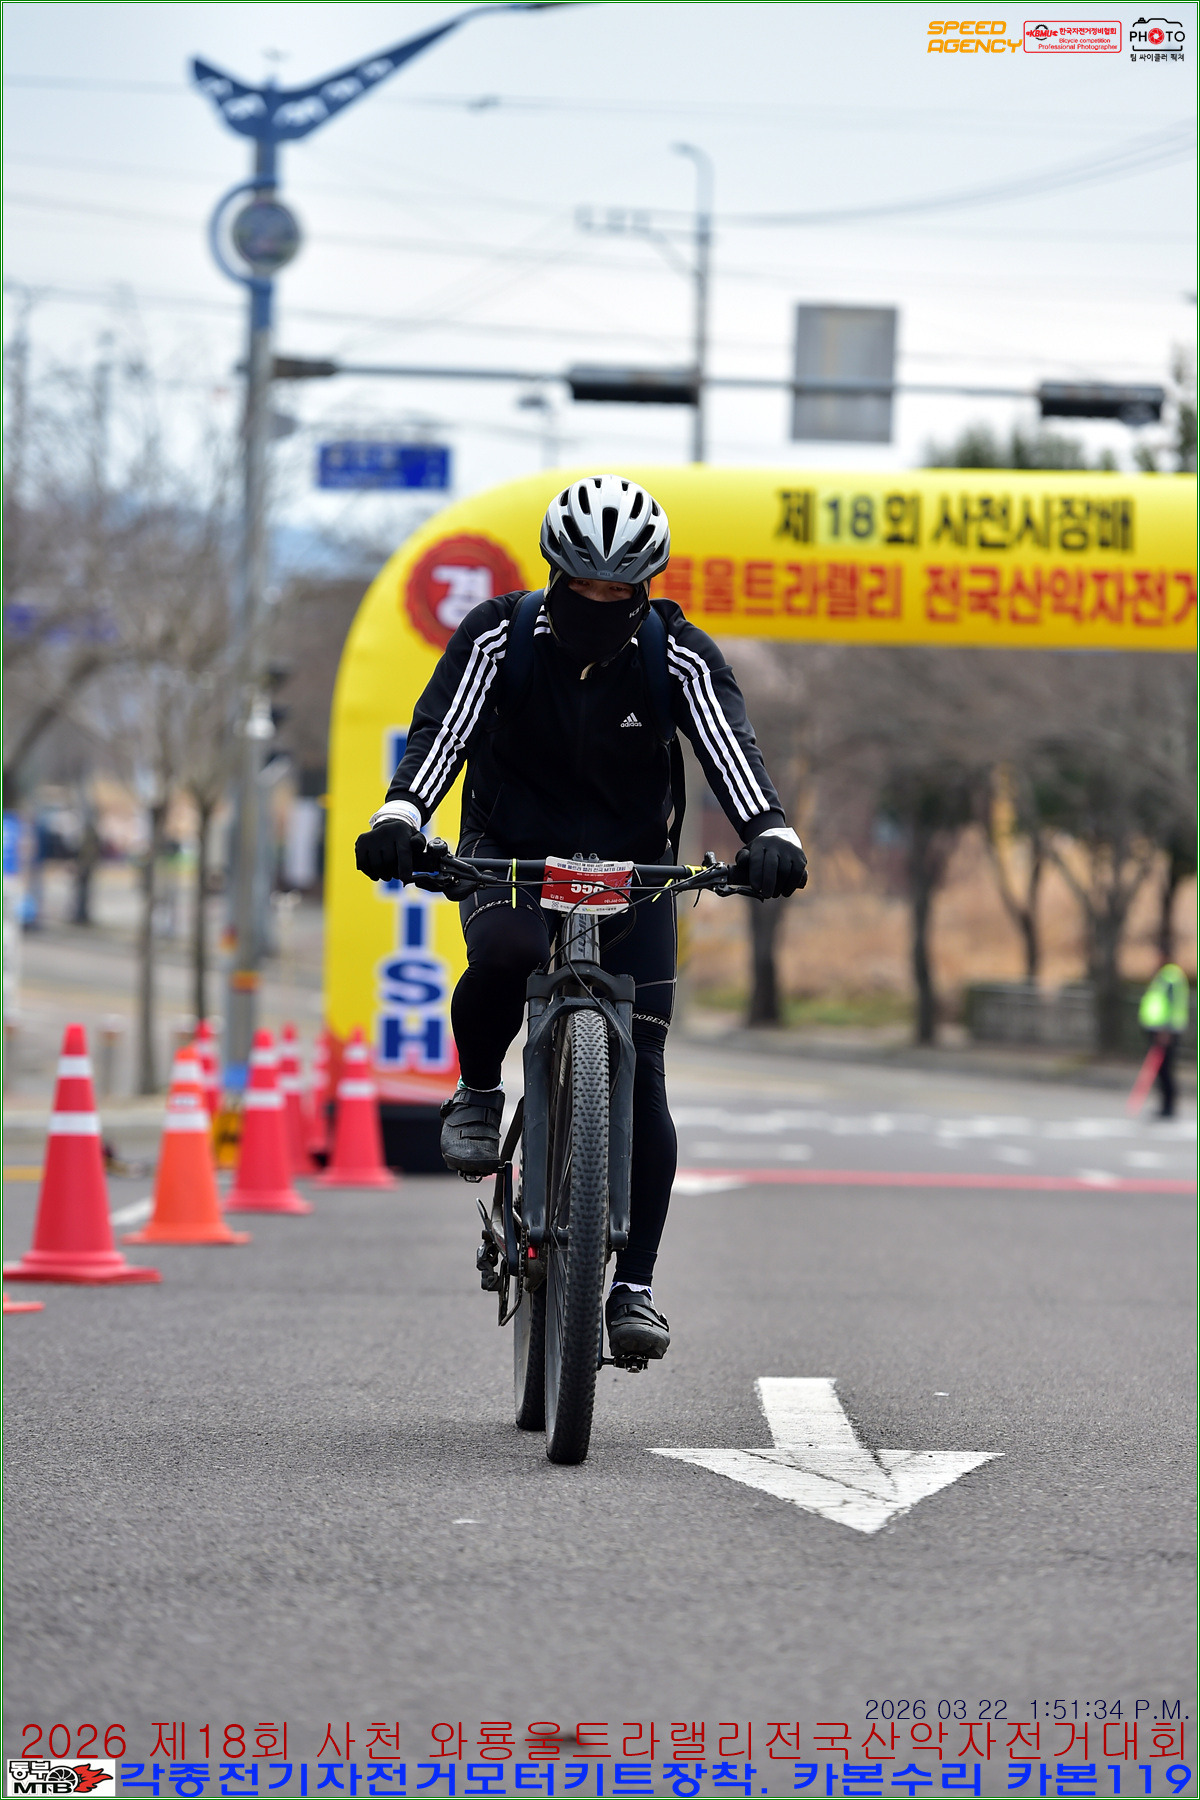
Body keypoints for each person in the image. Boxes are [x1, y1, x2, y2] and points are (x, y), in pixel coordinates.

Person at [355, 474, 807, 1363]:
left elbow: (730, 746)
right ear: (555, 576)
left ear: (645, 587)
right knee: (507, 952)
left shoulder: (675, 654)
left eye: (618, 590)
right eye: (583, 586)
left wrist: (770, 831)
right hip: (510, 851)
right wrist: (403, 813)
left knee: (644, 1071)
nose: (599, 604)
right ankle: (479, 1088)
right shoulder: (499, 635)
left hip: (633, 868)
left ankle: (633, 1288)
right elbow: (442, 732)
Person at [1137, 957, 1190, 1118]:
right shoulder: (1166, 977)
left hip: (1165, 1031)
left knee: (1165, 1070)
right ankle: (1165, 1105)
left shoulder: (1170, 978)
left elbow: (1171, 1007)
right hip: (1161, 1030)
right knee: (1162, 1070)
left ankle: (1168, 1106)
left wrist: (1165, 1030)